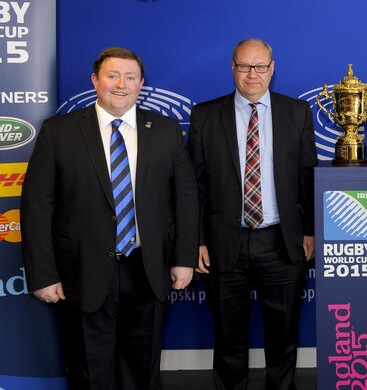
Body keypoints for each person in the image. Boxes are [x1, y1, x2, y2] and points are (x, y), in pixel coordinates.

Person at [20, 47, 198, 389]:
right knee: (89, 370)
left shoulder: (165, 129)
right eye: (112, 75)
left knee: (143, 369)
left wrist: (184, 259)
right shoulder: (59, 131)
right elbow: (36, 207)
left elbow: (186, 199)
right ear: (95, 80)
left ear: (141, 84)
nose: (121, 84)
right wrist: (43, 274)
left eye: (130, 77)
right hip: (81, 272)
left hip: (148, 270)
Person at [188, 38, 317, 390]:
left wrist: (310, 231)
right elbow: (194, 186)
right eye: (245, 66)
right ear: (232, 67)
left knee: (283, 335)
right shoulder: (204, 115)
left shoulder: (297, 112)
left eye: (260, 66)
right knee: (228, 339)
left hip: (282, 242)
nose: (252, 74)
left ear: (272, 69)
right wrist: (197, 240)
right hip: (223, 245)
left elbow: (308, 177)